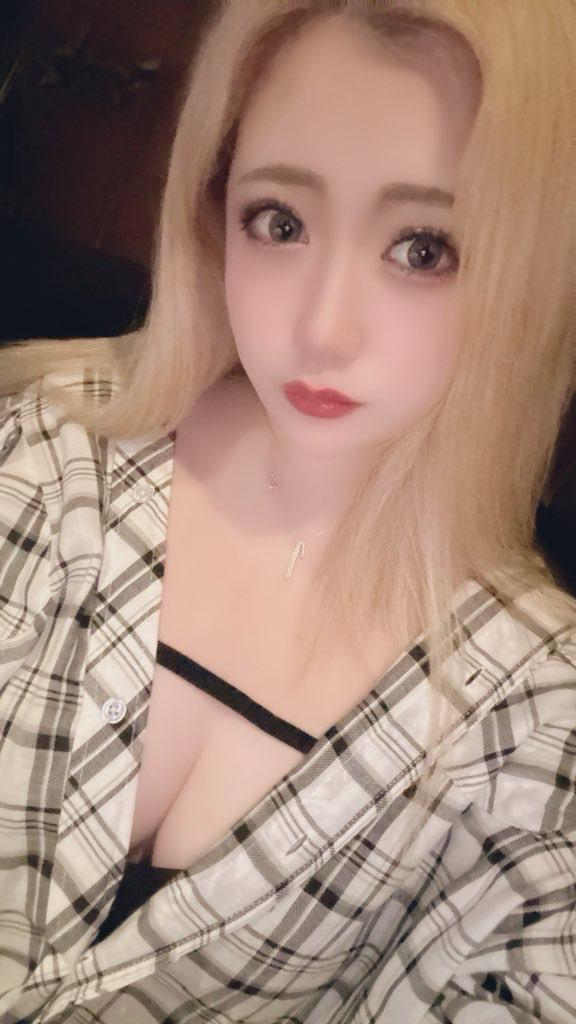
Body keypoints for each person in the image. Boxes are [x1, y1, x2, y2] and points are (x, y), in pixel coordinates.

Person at [1, 1, 575, 1021]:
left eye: (425, 248)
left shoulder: (532, 727)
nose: (322, 328)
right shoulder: (41, 456)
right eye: (280, 222)